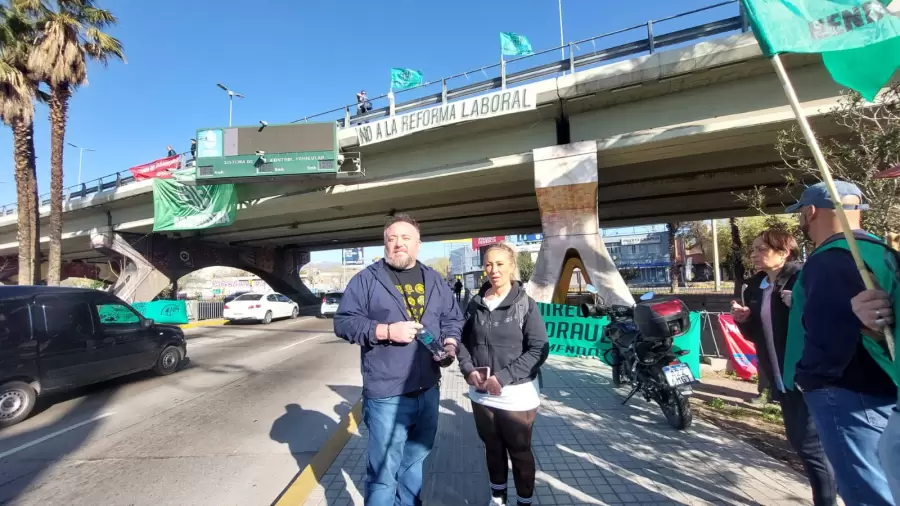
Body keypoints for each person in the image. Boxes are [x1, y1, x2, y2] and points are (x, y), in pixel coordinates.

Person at [333, 213, 464, 506]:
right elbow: (344, 323)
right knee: (383, 474)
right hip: (386, 394)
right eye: (391, 238)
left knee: (414, 463)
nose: (398, 243)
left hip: (428, 389)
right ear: (385, 244)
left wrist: (450, 344)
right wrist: (387, 331)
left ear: (418, 244)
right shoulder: (366, 279)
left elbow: (452, 318)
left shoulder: (434, 279)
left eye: (405, 238)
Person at [782, 181, 898, 506]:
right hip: (885, 385)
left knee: (865, 489)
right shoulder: (882, 252)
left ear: (810, 212)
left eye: (801, 213)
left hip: (847, 393)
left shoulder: (828, 260)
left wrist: (809, 378)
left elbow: (828, 334)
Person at [731, 229, 836, 506]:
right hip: (780, 378)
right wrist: (744, 320)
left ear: (784, 252)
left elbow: (827, 322)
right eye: (753, 249)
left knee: (811, 446)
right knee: (801, 442)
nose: (754, 254)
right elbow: (756, 335)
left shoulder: (805, 278)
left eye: (761, 249)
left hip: (808, 375)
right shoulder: (755, 286)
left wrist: (800, 304)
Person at [457, 242, 549, 506]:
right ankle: (497, 497)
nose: (493, 270)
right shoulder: (475, 304)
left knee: (519, 452)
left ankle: (524, 501)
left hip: (517, 394)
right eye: (488, 264)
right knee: (492, 447)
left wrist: (503, 378)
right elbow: (462, 342)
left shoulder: (525, 304)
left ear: (511, 266)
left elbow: (539, 349)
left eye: (499, 264)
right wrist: (468, 370)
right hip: (482, 393)